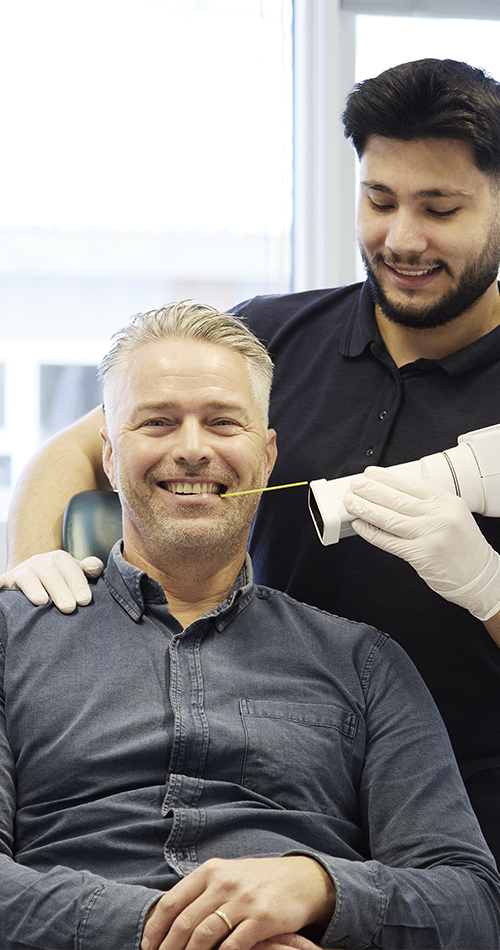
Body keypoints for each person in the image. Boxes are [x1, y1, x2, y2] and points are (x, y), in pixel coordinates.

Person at [4, 58, 500, 862]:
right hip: (277, 774)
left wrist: (486, 584)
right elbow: (83, 447)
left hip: (463, 804)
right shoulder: (274, 337)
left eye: (440, 209)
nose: (402, 238)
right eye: (379, 201)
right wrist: (36, 592)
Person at [3, 301, 500, 950]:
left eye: (221, 422)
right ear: (110, 455)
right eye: (157, 422)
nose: (191, 449)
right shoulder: (16, 639)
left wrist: (318, 889)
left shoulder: (364, 665)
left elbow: (470, 905)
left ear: (267, 458)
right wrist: (189, 935)